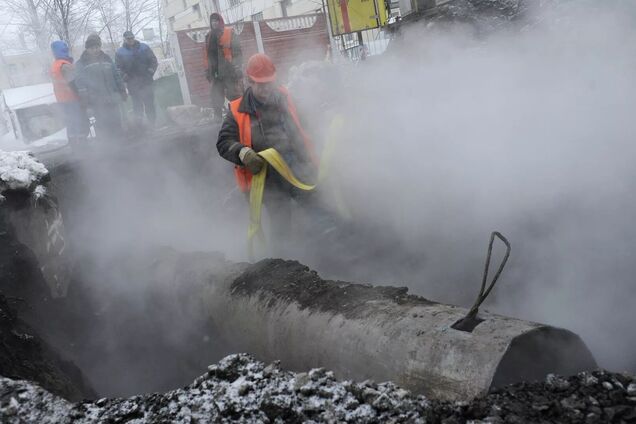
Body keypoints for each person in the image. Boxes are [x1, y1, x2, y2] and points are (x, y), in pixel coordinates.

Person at [216, 53, 319, 250]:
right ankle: (286, 265)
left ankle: (330, 252)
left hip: (297, 168)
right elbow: (223, 142)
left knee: (319, 211)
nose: (265, 89)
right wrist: (243, 153)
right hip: (269, 179)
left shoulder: (286, 99)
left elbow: (304, 126)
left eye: (268, 83)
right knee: (281, 226)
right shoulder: (238, 110)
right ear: (249, 81)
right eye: (259, 84)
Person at [75, 33, 127, 141]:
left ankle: (121, 144)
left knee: (116, 121)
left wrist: (122, 90)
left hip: (112, 97)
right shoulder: (81, 63)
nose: (96, 50)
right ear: (88, 49)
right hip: (96, 100)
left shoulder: (107, 58)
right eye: (92, 48)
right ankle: (107, 147)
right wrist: (85, 100)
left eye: (97, 47)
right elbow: (80, 83)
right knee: (103, 124)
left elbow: (116, 76)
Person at [50, 40, 89, 149]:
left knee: (71, 123)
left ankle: (74, 145)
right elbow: (73, 83)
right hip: (72, 98)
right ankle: (81, 146)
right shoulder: (65, 65)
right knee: (78, 121)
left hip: (62, 99)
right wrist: (82, 96)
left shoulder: (55, 65)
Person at [204, 13, 243, 121]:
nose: (214, 23)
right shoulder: (209, 36)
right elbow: (207, 55)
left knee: (234, 95)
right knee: (215, 97)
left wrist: (238, 67)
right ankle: (217, 120)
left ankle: (240, 116)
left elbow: (238, 51)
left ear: (220, 21)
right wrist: (207, 71)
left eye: (216, 20)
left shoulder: (229, 32)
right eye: (212, 21)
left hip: (229, 70)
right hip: (215, 73)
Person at [115, 30, 158, 126]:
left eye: (131, 38)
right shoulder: (120, 52)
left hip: (146, 81)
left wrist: (150, 72)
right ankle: (140, 126)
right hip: (132, 83)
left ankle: (152, 125)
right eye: (128, 38)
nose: (130, 40)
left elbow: (153, 60)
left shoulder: (144, 47)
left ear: (134, 37)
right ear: (124, 39)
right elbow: (118, 68)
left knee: (149, 104)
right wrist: (125, 77)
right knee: (137, 105)